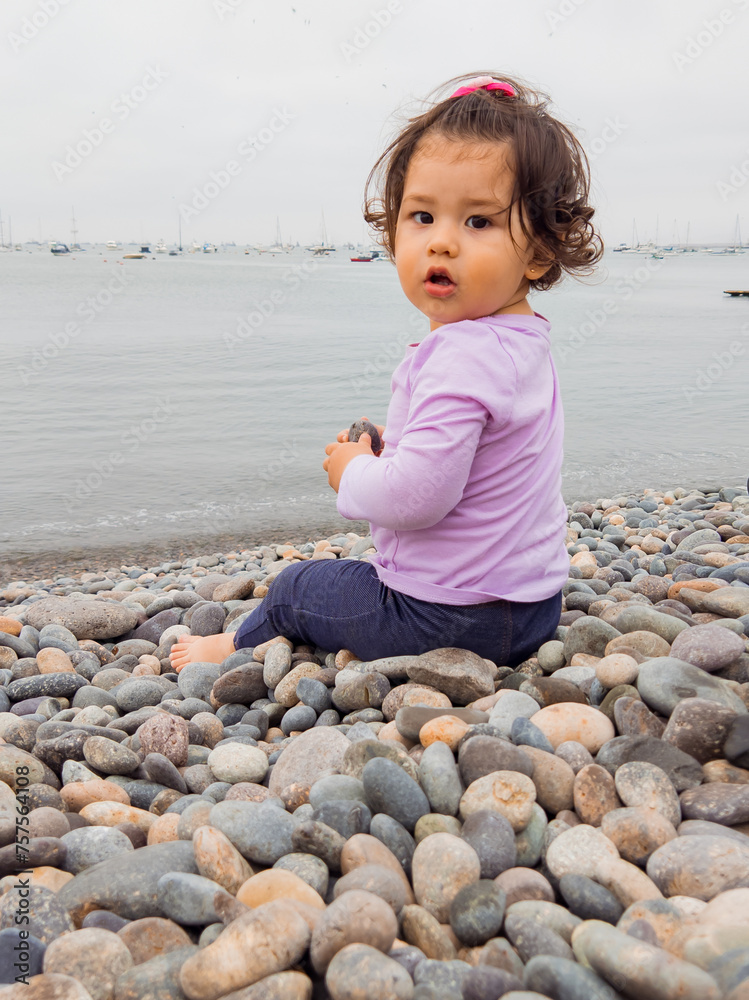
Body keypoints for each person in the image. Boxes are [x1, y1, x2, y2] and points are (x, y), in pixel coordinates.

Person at [171, 72, 602, 673]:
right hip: (531, 607)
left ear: (539, 251)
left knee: (298, 586)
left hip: (448, 616)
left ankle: (237, 645)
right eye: (422, 216)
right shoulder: (521, 342)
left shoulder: (461, 354)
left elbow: (416, 497)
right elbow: (475, 454)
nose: (442, 242)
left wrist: (352, 472)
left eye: (478, 221)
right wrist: (390, 448)